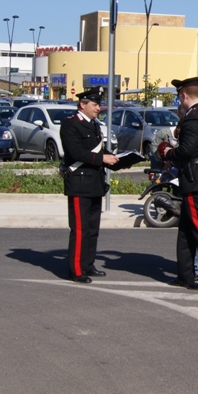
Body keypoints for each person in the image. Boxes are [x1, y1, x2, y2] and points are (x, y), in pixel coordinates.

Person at [158, 77, 198, 290]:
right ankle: (185, 274)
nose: (179, 101)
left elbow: (187, 150)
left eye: (179, 97)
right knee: (186, 228)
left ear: (184, 95)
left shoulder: (193, 117)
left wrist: (168, 152)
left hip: (194, 176)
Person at [60, 87, 119, 283]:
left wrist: (117, 158)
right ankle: (76, 269)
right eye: (94, 105)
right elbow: (77, 153)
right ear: (82, 105)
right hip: (79, 182)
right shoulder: (70, 125)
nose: (98, 108)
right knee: (80, 229)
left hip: (95, 182)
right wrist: (103, 158)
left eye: (98, 105)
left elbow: (98, 151)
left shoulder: (94, 125)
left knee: (93, 228)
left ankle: (88, 264)